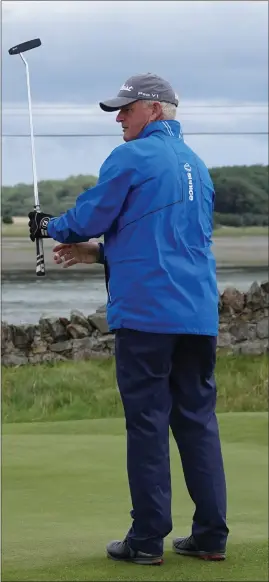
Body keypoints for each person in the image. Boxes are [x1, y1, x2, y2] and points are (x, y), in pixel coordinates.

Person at [28, 73, 229, 566]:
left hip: (147, 316)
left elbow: (87, 216)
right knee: (198, 422)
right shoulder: (197, 167)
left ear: (155, 110)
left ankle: (146, 539)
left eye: (126, 109)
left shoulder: (133, 156)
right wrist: (97, 255)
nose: (118, 118)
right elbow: (165, 241)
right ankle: (209, 536)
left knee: (147, 424)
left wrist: (48, 225)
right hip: (197, 314)